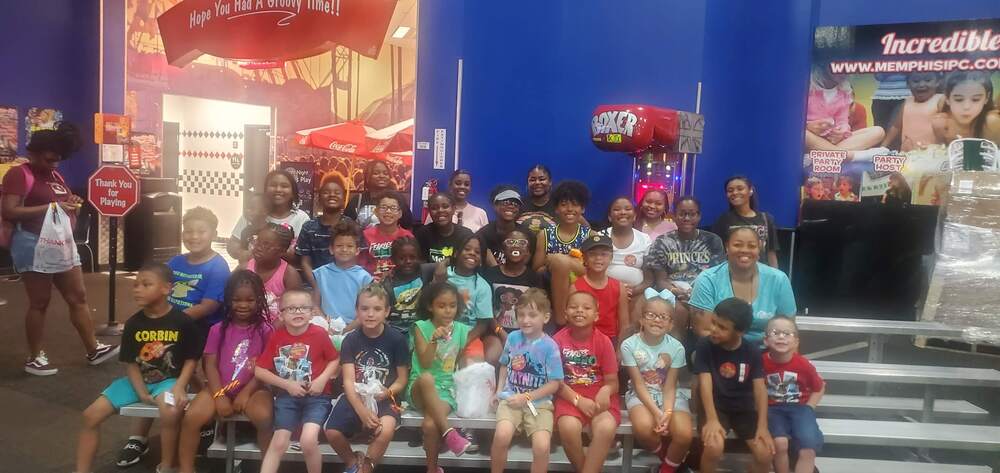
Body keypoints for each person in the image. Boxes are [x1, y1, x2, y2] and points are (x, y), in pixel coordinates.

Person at [2, 122, 118, 376]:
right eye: (49, 159)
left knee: (78, 296)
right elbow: (9, 211)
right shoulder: (19, 174)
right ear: (33, 153)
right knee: (40, 302)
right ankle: (34, 357)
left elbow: (60, 202)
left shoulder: (56, 176)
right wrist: (52, 207)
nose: (54, 164)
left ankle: (93, 349)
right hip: (32, 243)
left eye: (58, 161)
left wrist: (70, 203)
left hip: (61, 243)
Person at [120, 206, 231, 467]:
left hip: (197, 330)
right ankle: (138, 436)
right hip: (164, 328)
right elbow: (156, 291)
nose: (194, 236)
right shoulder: (175, 262)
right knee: (151, 372)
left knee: (194, 376)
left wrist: (170, 321)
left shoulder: (218, 266)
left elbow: (208, 306)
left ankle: (205, 421)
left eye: (201, 231)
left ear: (213, 233)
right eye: (189, 231)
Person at [74, 264, 199, 473]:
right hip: (137, 381)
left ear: (167, 288)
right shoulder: (133, 324)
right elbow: (131, 363)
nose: (137, 289)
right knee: (90, 415)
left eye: (146, 284)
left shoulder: (182, 321)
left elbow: (191, 359)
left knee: (170, 412)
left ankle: (167, 466)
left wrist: (180, 386)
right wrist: (140, 391)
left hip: (169, 382)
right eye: (135, 285)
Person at [178, 270, 275, 473]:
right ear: (228, 300)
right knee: (192, 418)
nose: (243, 305)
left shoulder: (266, 330)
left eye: (250, 300)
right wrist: (220, 396)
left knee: (265, 418)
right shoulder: (217, 329)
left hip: (254, 388)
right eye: (236, 300)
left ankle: (268, 469)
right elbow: (210, 365)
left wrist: (246, 393)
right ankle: (186, 469)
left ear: (259, 300)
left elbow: (266, 367)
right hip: (218, 387)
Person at [325, 284, 410, 473]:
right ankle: (352, 462)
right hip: (356, 395)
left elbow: (402, 379)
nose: (370, 314)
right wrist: (362, 411)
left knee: (385, 429)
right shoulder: (350, 340)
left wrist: (387, 392)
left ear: (387, 311)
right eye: (364, 309)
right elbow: (348, 381)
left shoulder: (397, 339)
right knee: (331, 431)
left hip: (385, 397)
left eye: (377, 309)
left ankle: (367, 466)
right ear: (357, 311)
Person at [255, 289, 340, 473]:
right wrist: (286, 385)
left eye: (303, 308)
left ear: (312, 312)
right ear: (281, 313)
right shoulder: (276, 336)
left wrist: (322, 380)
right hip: (287, 397)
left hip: (317, 397)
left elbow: (335, 359)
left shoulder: (319, 334)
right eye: (292, 308)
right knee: (278, 441)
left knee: (308, 440)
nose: (298, 312)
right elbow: (259, 370)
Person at [694, 298, 774, 473]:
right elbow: (705, 384)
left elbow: (760, 390)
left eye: (722, 327)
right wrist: (712, 419)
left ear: (740, 332)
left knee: (765, 455)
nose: (713, 329)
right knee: (714, 447)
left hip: (743, 408)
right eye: (713, 322)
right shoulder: (705, 345)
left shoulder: (752, 350)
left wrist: (762, 426)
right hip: (714, 406)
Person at [489, 288, 564, 473]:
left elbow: (555, 383)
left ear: (545, 318)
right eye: (521, 315)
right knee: (501, 436)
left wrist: (528, 397)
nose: (525, 320)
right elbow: (505, 365)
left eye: (532, 315)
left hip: (539, 404)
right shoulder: (513, 338)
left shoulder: (550, 346)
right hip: (511, 399)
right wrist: (499, 391)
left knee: (541, 446)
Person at [621, 289, 692, 473]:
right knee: (644, 428)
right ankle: (672, 462)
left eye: (663, 317)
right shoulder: (629, 344)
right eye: (651, 315)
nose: (657, 320)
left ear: (670, 325)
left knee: (684, 435)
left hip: (669, 395)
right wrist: (656, 412)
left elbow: (669, 386)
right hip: (641, 393)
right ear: (642, 319)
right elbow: (637, 383)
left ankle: (666, 469)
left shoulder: (676, 347)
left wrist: (666, 412)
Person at [407, 282, 475, 471]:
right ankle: (449, 433)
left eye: (452, 306)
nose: (448, 311)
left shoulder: (462, 330)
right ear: (430, 306)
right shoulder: (421, 327)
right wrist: (434, 340)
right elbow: (426, 363)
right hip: (419, 388)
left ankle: (432, 469)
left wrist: (467, 388)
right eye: (441, 306)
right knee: (427, 378)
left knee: (429, 425)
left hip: (445, 389)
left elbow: (459, 363)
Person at [689, 227, 796, 345]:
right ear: (727, 247)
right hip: (720, 349)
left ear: (759, 249)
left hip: (768, 351)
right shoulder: (707, 279)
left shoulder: (779, 279)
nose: (745, 250)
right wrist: (741, 352)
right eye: (737, 245)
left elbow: (789, 330)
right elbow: (703, 330)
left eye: (751, 246)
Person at [553, 291, 620, 473]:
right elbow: (555, 382)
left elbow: (613, 382)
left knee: (605, 427)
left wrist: (605, 391)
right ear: (565, 313)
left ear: (596, 315)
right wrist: (578, 400)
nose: (579, 311)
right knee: (567, 427)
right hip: (569, 395)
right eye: (574, 307)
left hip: (599, 395)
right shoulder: (557, 341)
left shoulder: (604, 341)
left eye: (586, 307)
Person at [645, 196, 725, 340]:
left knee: (702, 311)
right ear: (674, 216)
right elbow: (660, 280)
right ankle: (678, 357)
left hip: (704, 293)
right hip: (672, 293)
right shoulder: (662, 241)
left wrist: (696, 295)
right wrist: (677, 291)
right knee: (679, 311)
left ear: (699, 216)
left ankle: (701, 355)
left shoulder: (712, 240)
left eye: (692, 214)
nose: (687, 218)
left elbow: (718, 276)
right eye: (682, 214)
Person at [763, 316, 825, 473]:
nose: (781, 336)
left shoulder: (803, 365)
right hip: (772, 409)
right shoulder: (760, 363)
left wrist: (809, 407)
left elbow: (819, 386)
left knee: (808, 448)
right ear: (766, 340)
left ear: (796, 342)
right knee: (780, 443)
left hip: (800, 409)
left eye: (787, 333)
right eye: (775, 332)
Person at [533, 180, 592, 322]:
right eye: (564, 204)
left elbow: (593, 271)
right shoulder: (545, 235)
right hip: (551, 286)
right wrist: (557, 266)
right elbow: (537, 270)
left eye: (575, 204)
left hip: (581, 288)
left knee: (559, 260)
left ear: (582, 209)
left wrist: (564, 262)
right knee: (559, 262)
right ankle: (561, 320)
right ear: (556, 209)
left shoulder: (590, 235)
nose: (570, 209)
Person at [803, 63, 888, 162]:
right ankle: (851, 157)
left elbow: (843, 122)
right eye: (838, 67)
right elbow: (790, 123)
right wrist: (808, 126)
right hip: (810, 140)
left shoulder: (844, 92)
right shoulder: (807, 86)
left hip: (832, 141)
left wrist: (841, 133)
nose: (843, 72)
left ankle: (819, 156)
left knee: (878, 131)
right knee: (803, 133)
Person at [432, 233, 495, 364]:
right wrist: (438, 278)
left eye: (477, 252)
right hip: (437, 330)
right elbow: (430, 301)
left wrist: (464, 341)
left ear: (481, 259)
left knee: (474, 367)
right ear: (456, 253)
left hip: (468, 334)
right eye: (467, 249)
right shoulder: (444, 273)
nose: (472, 253)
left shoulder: (483, 286)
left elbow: (483, 323)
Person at [229, 170, 311, 263]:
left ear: (293, 192)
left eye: (284, 186)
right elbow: (232, 243)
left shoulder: (301, 218)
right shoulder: (253, 213)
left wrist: (271, 251)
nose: (278, 189)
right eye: (273, 185)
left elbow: (303, 255)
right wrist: (243, 253)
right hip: (250, 274)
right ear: (266, 189)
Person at [314, 220, 374, 333]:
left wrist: (347, 329)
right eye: (339, 245)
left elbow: (366, 309)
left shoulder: (364, 277)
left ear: (357, 250)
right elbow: (315, 305)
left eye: (350, 246)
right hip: (326, 328)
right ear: (331, 249)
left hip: (355, 328)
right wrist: (325, 325)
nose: (344, 249)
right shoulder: (321, 273)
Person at [481, 228, 542, 336]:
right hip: (495, 333)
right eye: (510, 242)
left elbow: (537, 312)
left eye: (522, 243)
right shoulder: (490, 274)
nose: (516, 246)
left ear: (528, 251)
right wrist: (500, 333)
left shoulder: (534, 278)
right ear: (503, 249)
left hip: (524, 334)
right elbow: (486, 311)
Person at [297, 173, 353, 287]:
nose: (332, 195)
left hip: (346, 284)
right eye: (326, 192)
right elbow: (305, 262)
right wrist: (317, 286)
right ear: (319, 197)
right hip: (314, 285)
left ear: (344, 197)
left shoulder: (352, 226)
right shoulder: (308, 227)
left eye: (337, 193)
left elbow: (357, 259)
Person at [711, 175, 780, 268]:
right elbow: (716, 253)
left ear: (750, 190)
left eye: (740, 188)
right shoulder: (723, 220)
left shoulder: (766, 219)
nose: (735, 193)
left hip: (762, 275)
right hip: (733, 274)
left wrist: (775, 276)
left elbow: (771, 253)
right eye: (730, 190)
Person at [572, 234, 629, 344]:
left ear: (611, 257)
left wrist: (620, 350)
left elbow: (624, 324)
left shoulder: (619, 287)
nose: (598, 258)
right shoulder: (575, 287)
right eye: (592, 254)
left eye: (604, 254)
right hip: (583, 340)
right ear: (584, 258)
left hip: (610, 339)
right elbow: (571, 322)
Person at [245, 223, 303, 317]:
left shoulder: (289, 276)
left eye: (266, 245)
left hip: (277, 327)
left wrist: (268, 330)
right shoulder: (244, 269)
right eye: (258, 241)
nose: (259, 247)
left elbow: (292, 312)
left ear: (282, 251)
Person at [599, 196, 653, 293]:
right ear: (609, 217)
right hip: (604, 292)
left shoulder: (645, 239)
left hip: (637, 292)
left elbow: (648, 280)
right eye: (617, 209)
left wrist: (634, 291)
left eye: (628, 209)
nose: (623, 212)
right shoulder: (600, 237)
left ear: (635, 216)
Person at [932, 71, 1000, 145]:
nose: (966, 107)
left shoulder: (991, 123)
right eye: (959, 99)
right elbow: (941, 151)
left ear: (987, 98)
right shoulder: (941, 121)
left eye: (975, 99)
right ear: (947, 98)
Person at [880, 72, 944, 151]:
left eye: (928, 80)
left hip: (932, 153)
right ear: (908, 84)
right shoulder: (907, 102)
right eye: (916, 81)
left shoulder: (940, 100)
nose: (921, 85)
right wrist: (883, 146)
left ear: (938, 82)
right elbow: (896, 127)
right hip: (907, 154)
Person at [360, 191, 414, 282]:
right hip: (372, 284)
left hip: (400, 283)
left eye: (393, 208)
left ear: (400, 213)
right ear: (376, 211)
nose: (388, 211)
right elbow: (360, 265)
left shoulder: (408, 237)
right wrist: (369, 279)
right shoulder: (365, 235)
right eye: (383, 207)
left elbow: (412, 266)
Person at [346, 159, 414, 229]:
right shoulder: (357, 201)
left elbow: (408, 227)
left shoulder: (398, 199)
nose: (381, 176)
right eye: (376, 173)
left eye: (385, 173)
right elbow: (346, 228)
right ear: (367, 177)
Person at [477, 185, 534, 266]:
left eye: (515, 204)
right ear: (495, 205)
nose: (511, 206)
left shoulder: (528, 235)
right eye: (505, 203)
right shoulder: (483, 235)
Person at [382, 236, 424, 337]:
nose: (408, 261)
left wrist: (441, 267)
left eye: (412, 257)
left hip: (421, 332)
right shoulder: (388, 283)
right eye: (402, 258)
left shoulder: (425, 272)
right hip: (395, 333)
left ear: (418, 257)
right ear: (393, 259)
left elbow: (449, 261)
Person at [415, 192, 473, 263]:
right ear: (429, 211)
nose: (440, 210)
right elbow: (419, 264)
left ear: (453, 209)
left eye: (445, 206)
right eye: (434, 208)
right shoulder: (422, 234)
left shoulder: (466, 235)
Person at [230, 192, 269, 266]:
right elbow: (242, 256)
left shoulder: (271, 231)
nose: (248, 211)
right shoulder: (245, 232)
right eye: (247, 208)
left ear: (265, 211)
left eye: (252, 208)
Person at [517, 164, 557, 234]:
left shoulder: (559, 204)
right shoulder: (519, 204)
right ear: (527, 183)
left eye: (542, 179)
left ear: (550, 182)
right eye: (532, 180)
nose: (537, 182)